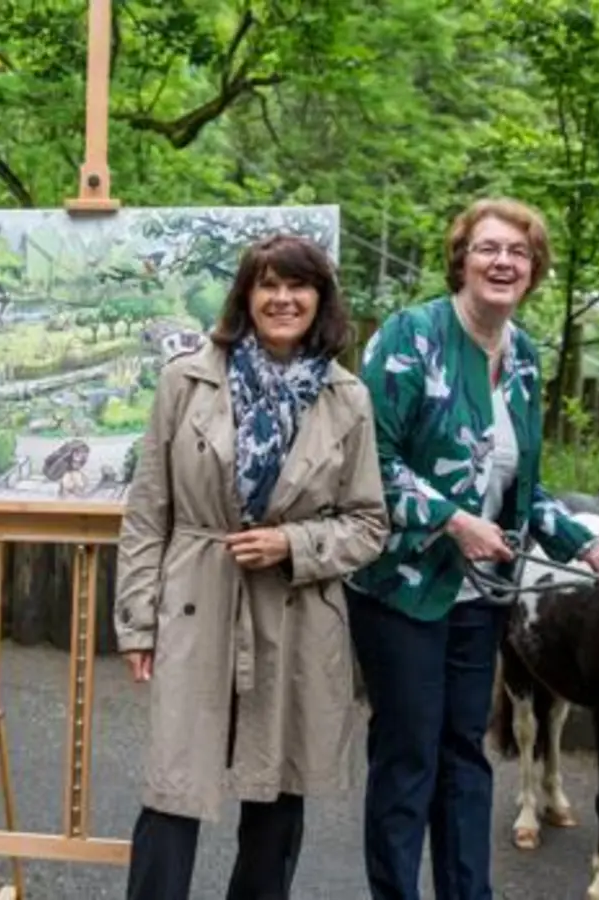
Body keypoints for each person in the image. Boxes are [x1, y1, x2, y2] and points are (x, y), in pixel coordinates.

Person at [344, 197, 599, 900]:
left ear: (534, 270)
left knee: (466, 753)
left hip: (478, 595)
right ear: (461, 259)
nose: (504, 262)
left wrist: (583, 547)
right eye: (489, 248)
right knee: (409, 754)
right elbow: (367, 460)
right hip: (402, 586)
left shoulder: (524, 356)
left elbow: (520, 487)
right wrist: (450, 520)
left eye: (519, 253)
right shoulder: (410, 337)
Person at [114, 234, 390, 900]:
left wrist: (293, 544)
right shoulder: (188, 378)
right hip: (195, 597)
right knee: (173, 786)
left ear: (319, 299)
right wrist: (137, 622)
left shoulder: (347, 398)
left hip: (294, 612)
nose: (283, 299)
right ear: (246, 296)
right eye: (268, 285)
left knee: (276, 794)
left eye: (298, 286)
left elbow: (368, 524)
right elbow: (149, 509)